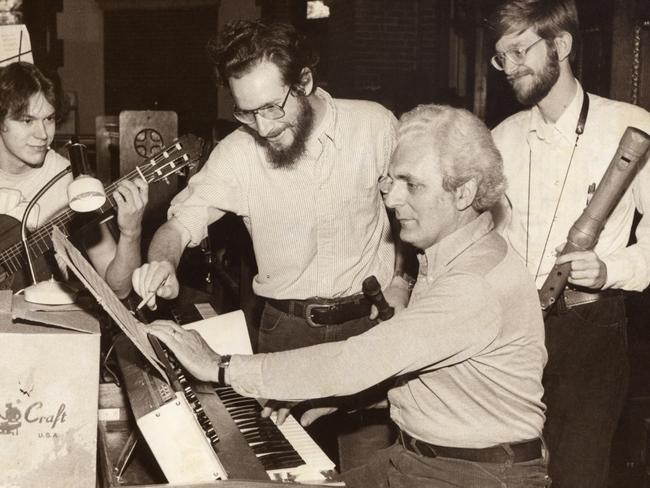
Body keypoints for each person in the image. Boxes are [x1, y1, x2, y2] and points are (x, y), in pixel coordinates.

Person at [148, 104, 550, 488]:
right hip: (421, 458)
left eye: (413, 184)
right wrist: (347, 402)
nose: (391, 199)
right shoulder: (446, 256)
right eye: (392, 181)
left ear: (464, 193)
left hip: (472, 475)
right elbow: (446, 379)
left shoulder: (474, 282)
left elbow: (361, 359)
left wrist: (218, 366)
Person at [131, 20, 410, 470]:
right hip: (287, 335)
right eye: (247, 113)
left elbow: (414, 220)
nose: (263, 126)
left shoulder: (374, 126)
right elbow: (180, 225)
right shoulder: (239, 153)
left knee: (371, 474)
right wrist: (161, 262)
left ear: (303, 82)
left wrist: (403, 282)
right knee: (287, 472)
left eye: (272, 108)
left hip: (370, 328)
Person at [488, 1, 650, 487]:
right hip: (511, 329)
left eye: (519, 51)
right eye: (501, 57)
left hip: (590, 330)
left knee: (577, 476)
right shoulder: (503, 137)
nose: (509, 68)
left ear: (561, 45)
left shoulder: (630, 124)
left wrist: (610, 269)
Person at [0, 61, 148, 299]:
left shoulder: (70, 181)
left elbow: (118, 289)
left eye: (48, 119)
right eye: (27, 121)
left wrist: (131, 233)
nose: (42, 135)